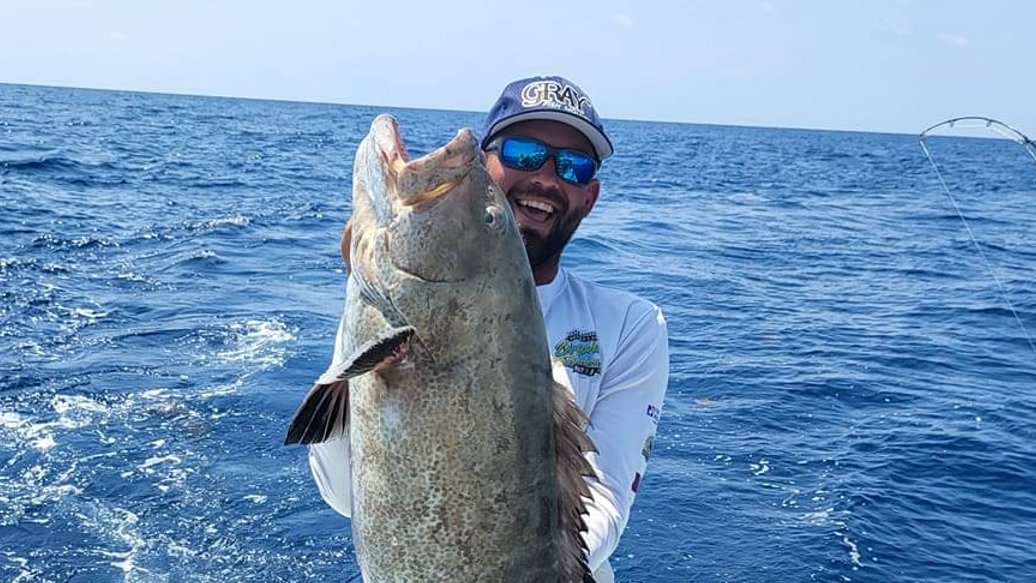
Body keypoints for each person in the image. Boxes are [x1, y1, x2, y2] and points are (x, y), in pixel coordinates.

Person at [308, 76, 669, 583]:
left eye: (573, 166)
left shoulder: (633, 324)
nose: (546, 177)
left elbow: (605, 505)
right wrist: (365, 320)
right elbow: (342, 494)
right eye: (524, 152)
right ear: (490, 166)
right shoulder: (389, 313)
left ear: (589, 196)